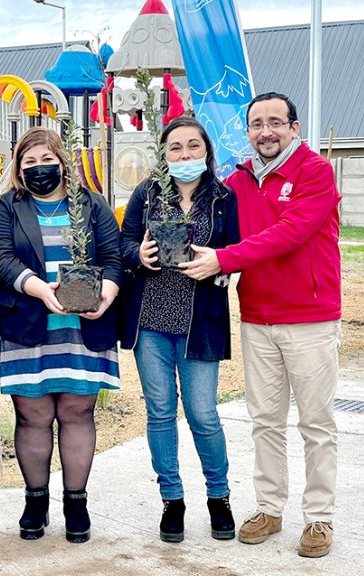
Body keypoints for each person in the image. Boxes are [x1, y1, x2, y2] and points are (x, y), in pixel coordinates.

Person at [181, 92, 341, 558]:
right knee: (265, 420)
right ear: (247, 131)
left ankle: (319, 517)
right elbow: (210, 221)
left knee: (316, 423)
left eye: (275, 122)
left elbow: (290, 232)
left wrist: (224, 259)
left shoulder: (314, 171)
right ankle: (270, 508)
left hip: (309, 316)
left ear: (294, 128)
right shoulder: (238, 181)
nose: (265, 131)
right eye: (257, 124)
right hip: (257, 316)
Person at [0, 127, 121, 544]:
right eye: (29, 161)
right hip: (27, 323)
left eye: (47, 159)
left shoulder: (93, 204)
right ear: (18, 167)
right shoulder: (7, 207)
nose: (39, 167)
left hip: (84, 325)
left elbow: (113, 257)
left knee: (78, 413)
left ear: (63, 162)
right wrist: (39, 288)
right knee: (34, 415)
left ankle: (76, 503)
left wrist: (107, 293)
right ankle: (36, 500)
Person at [120, 116, 240, 543]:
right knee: (160, 411)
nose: (185, 154)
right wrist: (139, 254)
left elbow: (238, 250)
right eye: (175, 147)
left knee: (203, 413)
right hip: (151, 320)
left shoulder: (224, 197)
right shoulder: (146, 194)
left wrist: (219, 262)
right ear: (164, 154)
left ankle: (218, 496)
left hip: (200, 322)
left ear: (206, 150)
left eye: (193, 146)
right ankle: (172, 499)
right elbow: (123, 243)